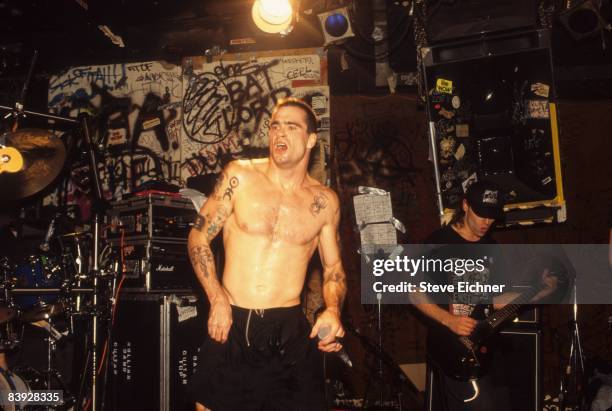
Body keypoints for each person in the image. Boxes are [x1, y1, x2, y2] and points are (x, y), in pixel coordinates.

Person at [187, 97, 347, 411]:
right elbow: (198, 237)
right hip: (232, 321)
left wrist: (333, 310)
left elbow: (334, 269)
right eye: (275, 126)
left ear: (311, 139)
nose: (279, 134)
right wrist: (216, 296)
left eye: (291, 127)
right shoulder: (239, 177)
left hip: (287, 327)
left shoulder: (325, 202)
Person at [413, 180, 556, 411]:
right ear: (466, 205)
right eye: (481, 215)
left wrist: (539, 291)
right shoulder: (438, 242)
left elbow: (498, 300)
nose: (487, 222)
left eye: (492, 216)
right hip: (452, 347)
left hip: (484, 347)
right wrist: (449, 320)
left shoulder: (491, 247)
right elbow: (413, 292)